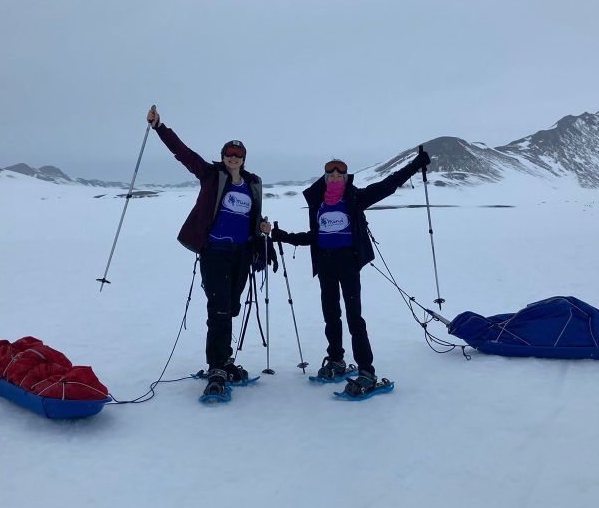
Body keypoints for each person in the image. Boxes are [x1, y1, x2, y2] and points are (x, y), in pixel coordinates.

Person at [271, 147, 429, 397]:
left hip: (348, 264)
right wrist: (285, 237)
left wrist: (415, 165)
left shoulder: (354, 198)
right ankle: (336, 360)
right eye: (330, 173)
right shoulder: (319, 203)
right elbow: (316, 236)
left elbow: (388, 184)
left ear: (345, 177)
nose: (334, 177)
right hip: (325, 265)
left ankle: (366, 372)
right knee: (331, 315)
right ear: (325, 177)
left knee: (355, 318)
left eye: (339, 174)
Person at [146, 106, 276, 400]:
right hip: (214, 253)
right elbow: (184, 153)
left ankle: (225, 360)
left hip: (241, 254)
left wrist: (261, 228)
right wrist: (160, 127)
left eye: (238, 154)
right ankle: (216, 367)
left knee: (231, 308)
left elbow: (251, 217)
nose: (233, 157)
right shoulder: (211, 174)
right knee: (218, 310)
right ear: (223, 155)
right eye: (229, 153)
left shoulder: (252, 184)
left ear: (244, 159)